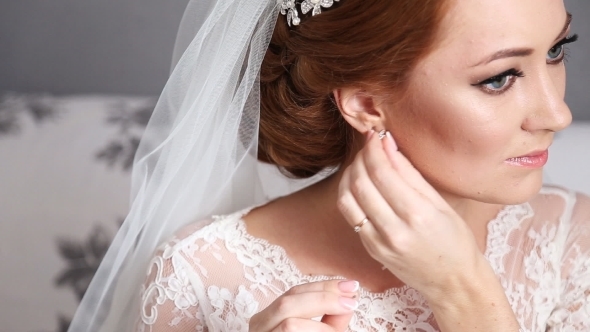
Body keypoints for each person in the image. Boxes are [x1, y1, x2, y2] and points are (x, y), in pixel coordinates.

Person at [69, 0, 590, 331]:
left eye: (556, 51)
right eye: (499, 78)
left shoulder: (572, 240)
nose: (558, 113)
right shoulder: (201, 275)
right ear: (365, 104)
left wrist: (466, 292)